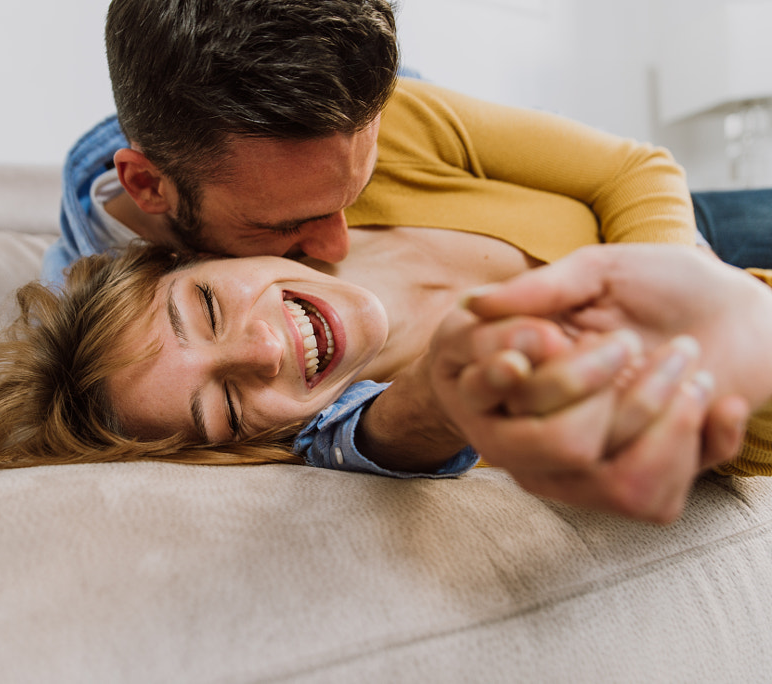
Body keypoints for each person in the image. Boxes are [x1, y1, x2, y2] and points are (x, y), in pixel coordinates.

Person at [43, 0, 772, 521]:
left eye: (350, 193)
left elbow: (632, 169)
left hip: (687, 223)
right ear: (148, 189)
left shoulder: (341, 127)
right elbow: (374, 432)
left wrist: (677, 287)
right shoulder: (159, 366)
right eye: (289, 221)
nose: (334, 242)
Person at [0, 232, 772, 523]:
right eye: (225, 402)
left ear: (197, 250)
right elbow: (389, 433)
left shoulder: (353, 174)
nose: (261, 351)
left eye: (210, 308)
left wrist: (671, 253)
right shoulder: (340, 425)